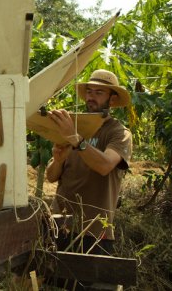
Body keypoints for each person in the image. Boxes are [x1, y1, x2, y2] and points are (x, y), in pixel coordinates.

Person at [45, 69, 132, 256]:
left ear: (113, 100)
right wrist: (58, 161)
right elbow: (51, 176)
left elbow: (105, 165)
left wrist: (76, 140)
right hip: (59, 224)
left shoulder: (119, 133)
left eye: (99, 93)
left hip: (94, 231)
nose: (92, 97)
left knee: (87, 285)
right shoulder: (75, 127)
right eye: (89, 92)